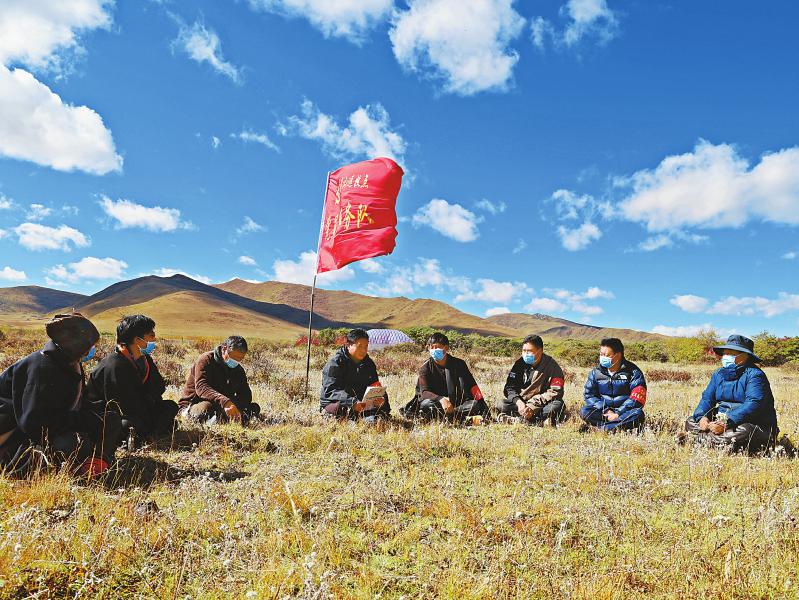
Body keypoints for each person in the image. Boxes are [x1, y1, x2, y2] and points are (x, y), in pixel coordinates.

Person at [0, 313, 121, 477]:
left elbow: (79, 401)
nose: (92, 350)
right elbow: (34, 424)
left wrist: (96, 415)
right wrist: (80, 421)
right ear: (77, 344)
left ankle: (98, 460)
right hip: (14, 432)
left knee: (110, 420)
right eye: (90, 345)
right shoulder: (42, 368)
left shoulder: (69, 362)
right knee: (73, 443)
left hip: (57, 422)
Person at [85, 315, 179, 447]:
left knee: (170, 407)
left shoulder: (145, 360)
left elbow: (159, 387)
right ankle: (144, 433)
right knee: (127, 424)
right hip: (111, 416)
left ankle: (147, 431)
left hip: (140, 408)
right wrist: (147, 400)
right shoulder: (114, 365)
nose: (154, 339)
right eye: (150, 335)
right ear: (137, 339)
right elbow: (119, 405)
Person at [683, 335, 778, 454]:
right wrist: (702, 417)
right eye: (725, 353)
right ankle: (714, 440)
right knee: (691, 421)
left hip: (751, 423)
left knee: (745, 431)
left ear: (745, 356)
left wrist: (726, 422)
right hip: (721, 420)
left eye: (731, 353)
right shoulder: (718, 374)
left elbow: (754, 404)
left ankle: (697, 439)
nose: (726, 356)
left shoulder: (755, 375)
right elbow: (707, 398)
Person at [401, 332, 489, 423]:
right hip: (438, 402)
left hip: (458, 403)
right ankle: (462, 419)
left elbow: (473, 386)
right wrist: (442, 399)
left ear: (446, 348)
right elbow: (424, 392)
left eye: (437, 347)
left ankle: (450, 417)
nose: (434, 350)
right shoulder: (425, 367)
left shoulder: (459, 364)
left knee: (474, 405)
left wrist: (483, 405)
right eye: (431, 347)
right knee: (426, 405)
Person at [180, 335, 260, 424]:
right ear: (224, 349)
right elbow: (201, 387)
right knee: (206, 408)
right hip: (195, 403)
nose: (236, 361)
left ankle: (222, 418)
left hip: (220, 404)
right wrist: (225, 402)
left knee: (253, 407)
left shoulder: (238, 369)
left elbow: (245, 395)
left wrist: (236, 405)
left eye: (240, 359)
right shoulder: (206, 360)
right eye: (233, 357)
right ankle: (218, 418)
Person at [319, 328, 389, 421]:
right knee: (339, 410)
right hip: (339, 403)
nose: (363, 350)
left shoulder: (369, 364)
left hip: (361, 404)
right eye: (360, 346)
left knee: (382, 408)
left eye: (366, 347)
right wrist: (352, 402)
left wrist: (380, 399)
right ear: (348, 345)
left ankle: (367, 418)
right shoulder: (335, 363)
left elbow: (375, 386)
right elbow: (331, 390)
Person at [580, 337, 647, 432]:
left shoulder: (633, 372)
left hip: (624, 413)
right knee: (585, 411)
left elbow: (637, 398)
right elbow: (589, 395)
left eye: (607, 355)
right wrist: (606, 410)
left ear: (618, 355)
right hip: (604, 413)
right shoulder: (596, 372)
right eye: (601, 354)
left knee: (638, 414)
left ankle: (603, 428)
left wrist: (618, 413)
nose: (603, 357)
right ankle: (612, 427)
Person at [497, 335, 566, 425]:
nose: (525, 354)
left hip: (541, 404)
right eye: (524, 350)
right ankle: (538, 421)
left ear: (540, 351)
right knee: (502, 404)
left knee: (557, 405)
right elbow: (509, 388)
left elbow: (556, 392)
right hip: (522, 403)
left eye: (529, 351)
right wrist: (519, 402)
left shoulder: (552, 366)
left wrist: (532, 406)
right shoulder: (519, 364)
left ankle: (520, 420)